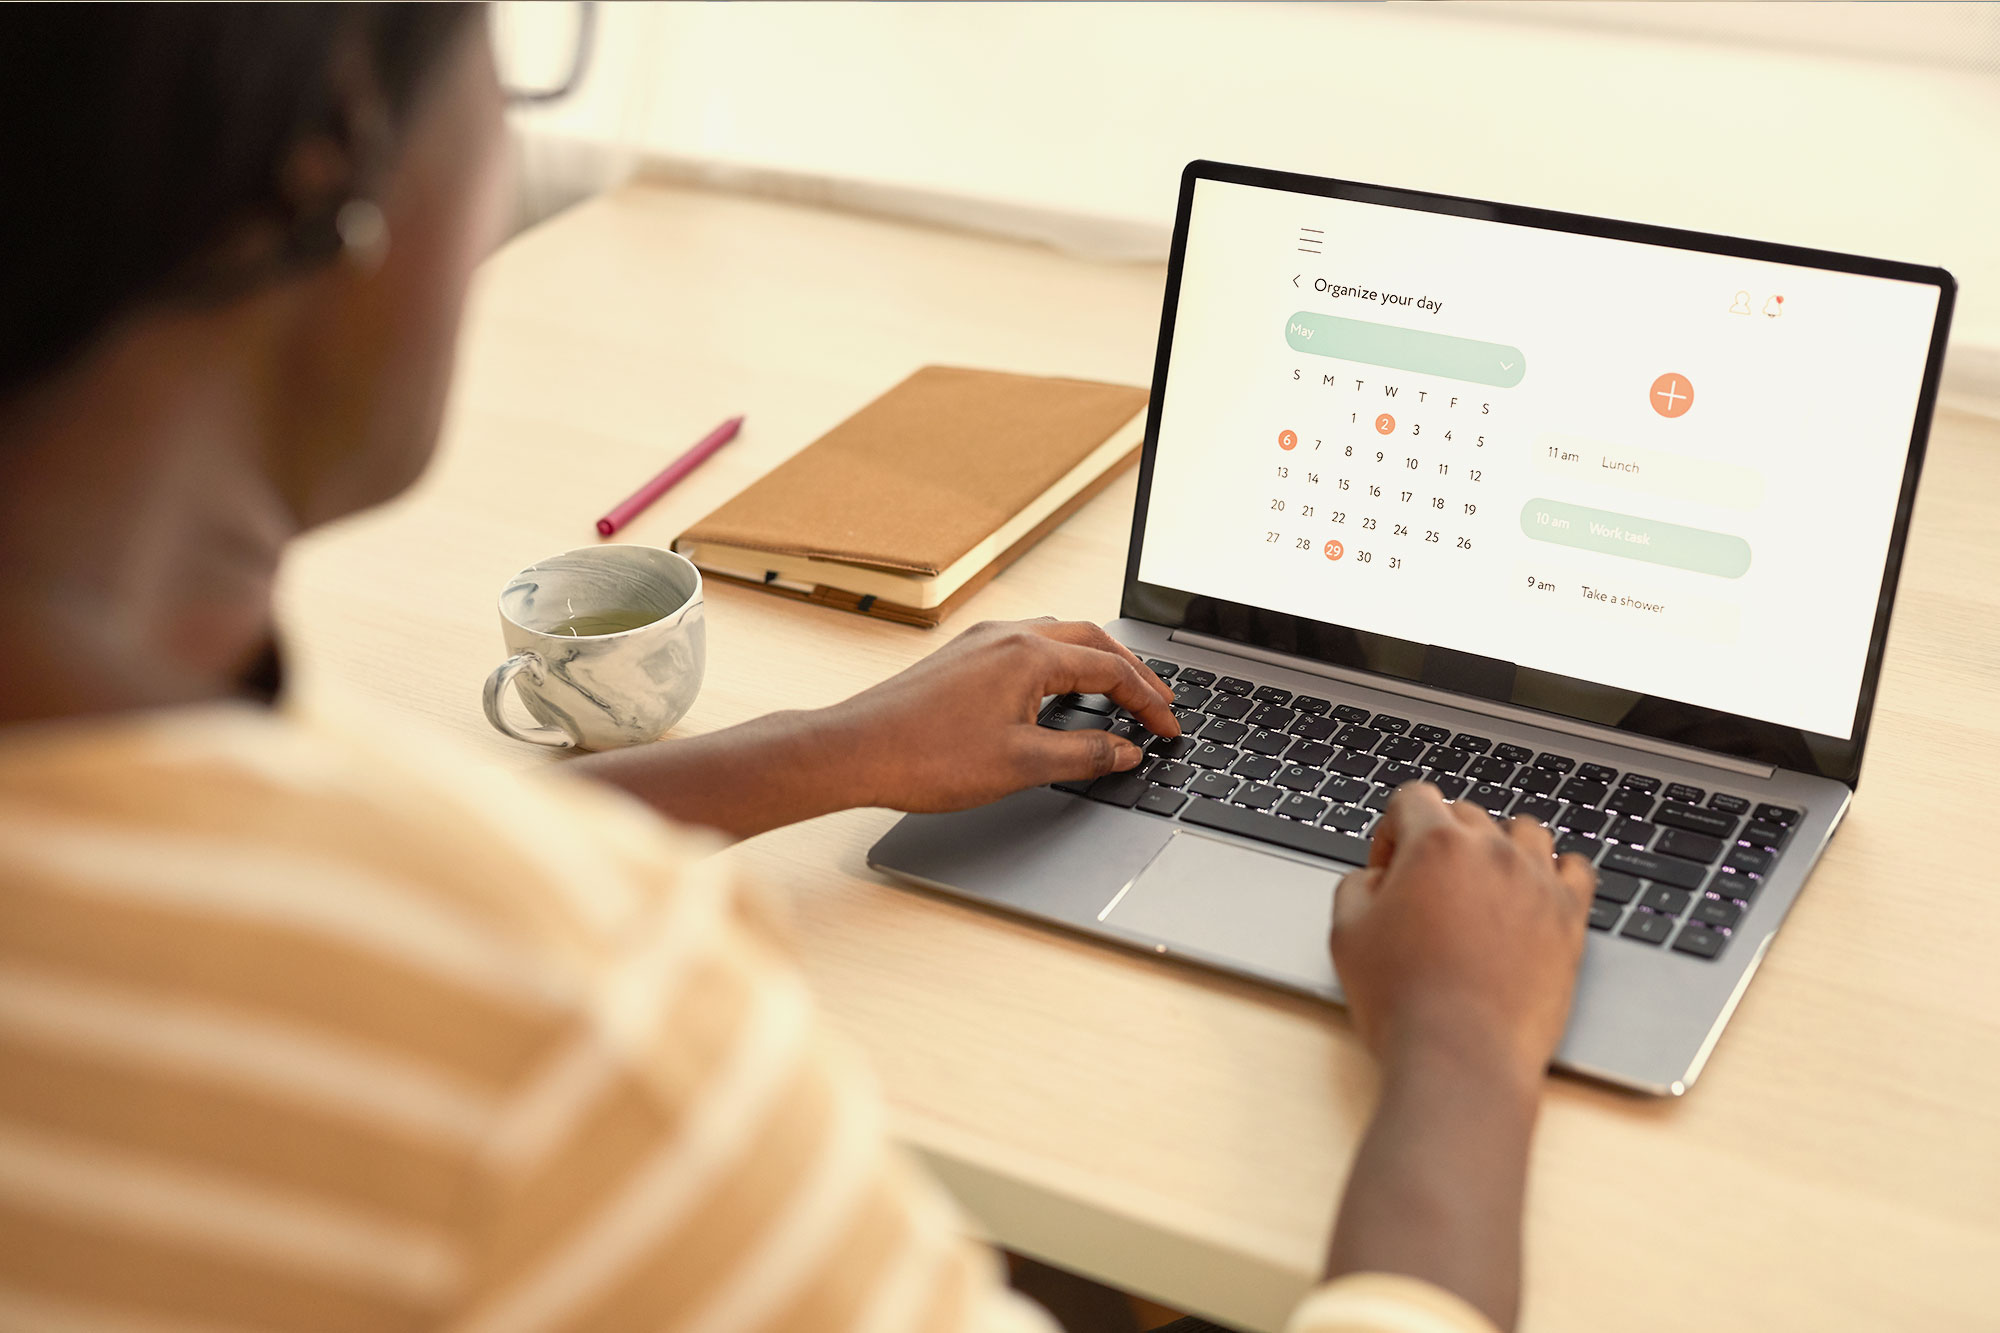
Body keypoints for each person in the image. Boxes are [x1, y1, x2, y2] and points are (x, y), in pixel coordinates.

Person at [0, 7, 1595, 1332]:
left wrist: (815, 749)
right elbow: (434, 938)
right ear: (327, 161)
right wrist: (1462, 1044)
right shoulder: (556, 1019)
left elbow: (310, 888)